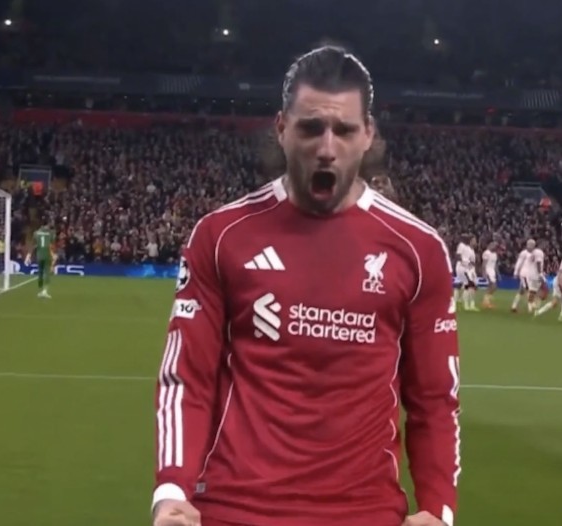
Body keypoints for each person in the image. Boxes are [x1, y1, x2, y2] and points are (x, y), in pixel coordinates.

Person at [153, 45, 461, 526]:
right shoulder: (221, 236)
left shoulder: (418, 249)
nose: (326, 148)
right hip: (234, 509)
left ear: (368, 134)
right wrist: (172, 490)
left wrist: (438, 509)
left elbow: (436, 400)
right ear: (281, 128)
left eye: (344, 130)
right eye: (311, 128)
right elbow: (185, 377)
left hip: (364, 514)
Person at [511, 239, 545, 313]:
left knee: (523, 290)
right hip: (524, 274)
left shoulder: (535, 253)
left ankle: (515, 306)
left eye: (531, 245)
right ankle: (530, 306)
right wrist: (516, 272)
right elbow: (519, 262)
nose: (530, 246)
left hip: (531, 274)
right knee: (528, 290)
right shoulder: (524, 253)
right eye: (529, 244)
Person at [455, 235, 479, 311]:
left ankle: (470, 304)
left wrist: (473, 269)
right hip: (463, 267)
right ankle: (466, 305)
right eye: (474, 240)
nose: (475, 242)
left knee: (472, 286)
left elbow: (472, 262)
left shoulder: (472, 250)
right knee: (468, 285)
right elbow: (458, 256)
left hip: (470, 269)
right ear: (470, 241)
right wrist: (464, 263)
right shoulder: (463, 246)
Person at [32, 218, 55, 298]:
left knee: (40, 272)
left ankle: (40, 289)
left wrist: (30, 254)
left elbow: (35, 244)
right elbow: (51, 244)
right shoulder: (51, 233)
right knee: (47, 272)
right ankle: (45, 291)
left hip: (39, 255)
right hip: (47, 254)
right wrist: (53, 254)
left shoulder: (35, 233)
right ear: (47, 224)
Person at [481, 241, 499, 309]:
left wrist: (497, 273)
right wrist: (484, 273)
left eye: (496, 246)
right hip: (488, 270)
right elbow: (484, 264)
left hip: (492, 271)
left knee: (491, 286)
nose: (495, 247)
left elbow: (495, 264)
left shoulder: (495, 254)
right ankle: (486, 301)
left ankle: (486, 302)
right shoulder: (486, 253)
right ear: (490, 245)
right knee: (494, 286)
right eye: (494, 245)